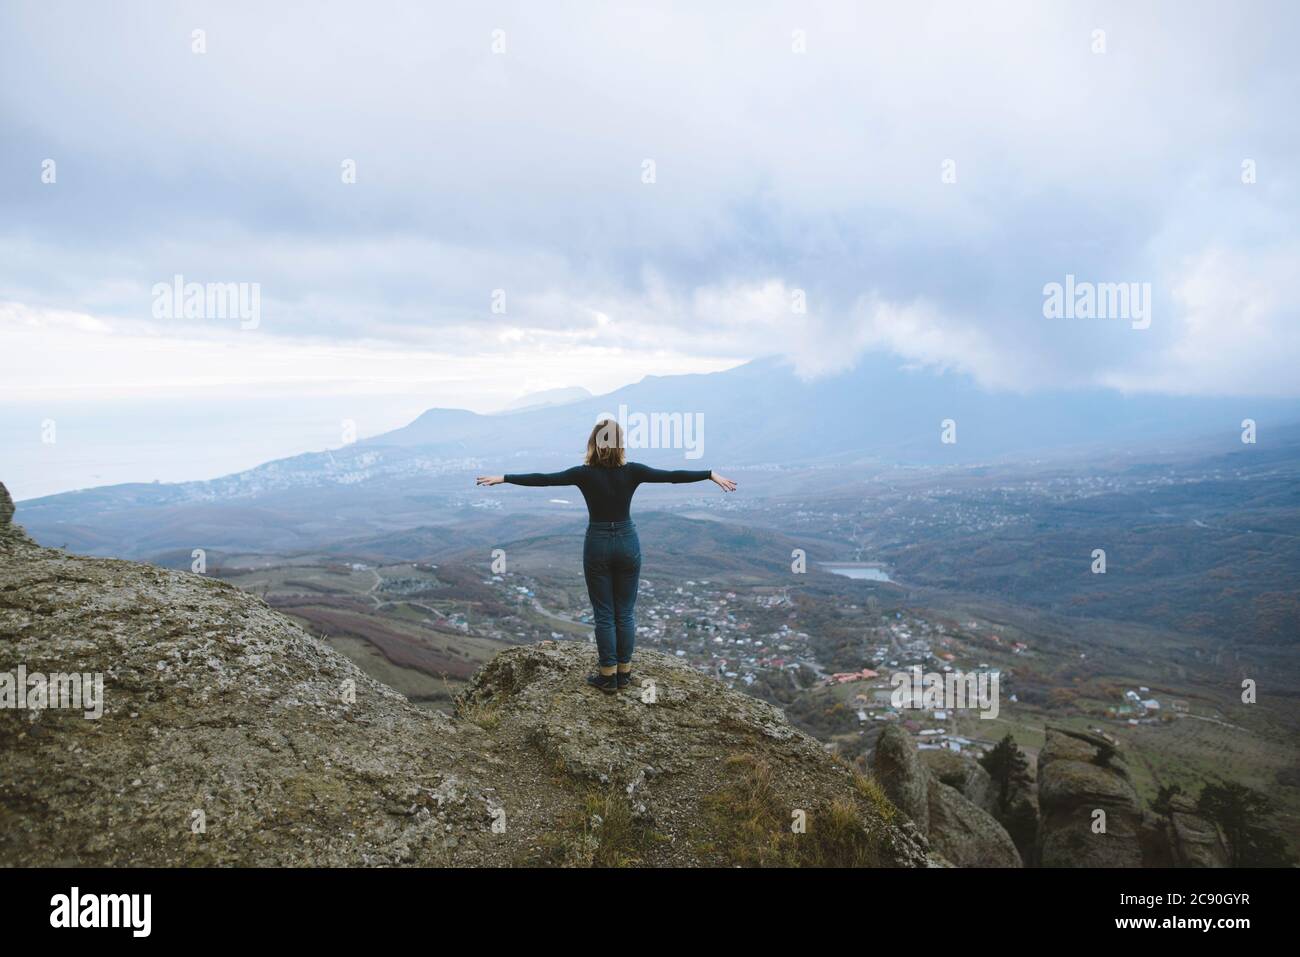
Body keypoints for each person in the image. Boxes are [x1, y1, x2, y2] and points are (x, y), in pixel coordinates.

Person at [476, 419, 737, 693]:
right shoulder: (633, 471)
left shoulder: (584, 474)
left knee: (604, 614)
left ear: (593, 443)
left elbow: (545, 480)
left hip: (598, 542)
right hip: (627, 541)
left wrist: (504, 478)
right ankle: (624, 672)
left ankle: (607, 676)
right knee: (624, 612)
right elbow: (672, 475)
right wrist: (709, 474)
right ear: (620, 444)